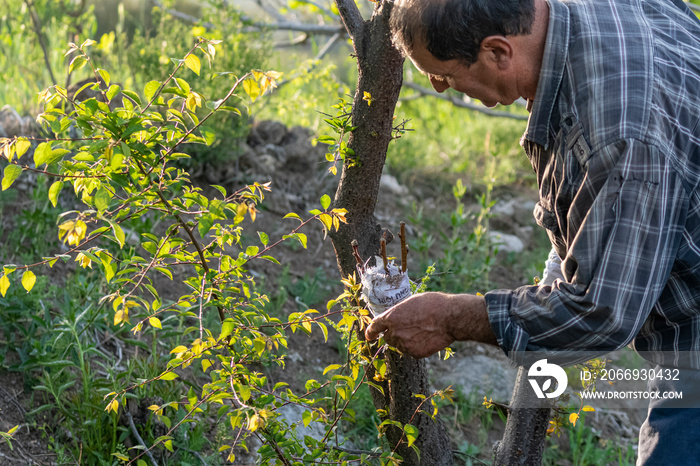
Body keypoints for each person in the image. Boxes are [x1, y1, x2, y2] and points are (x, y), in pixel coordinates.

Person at [364, 0, 700, 463]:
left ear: (499, 51)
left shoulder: (619, 131)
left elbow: (601, 312)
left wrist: (451, 317)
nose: (439, 87)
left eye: (440, 72)